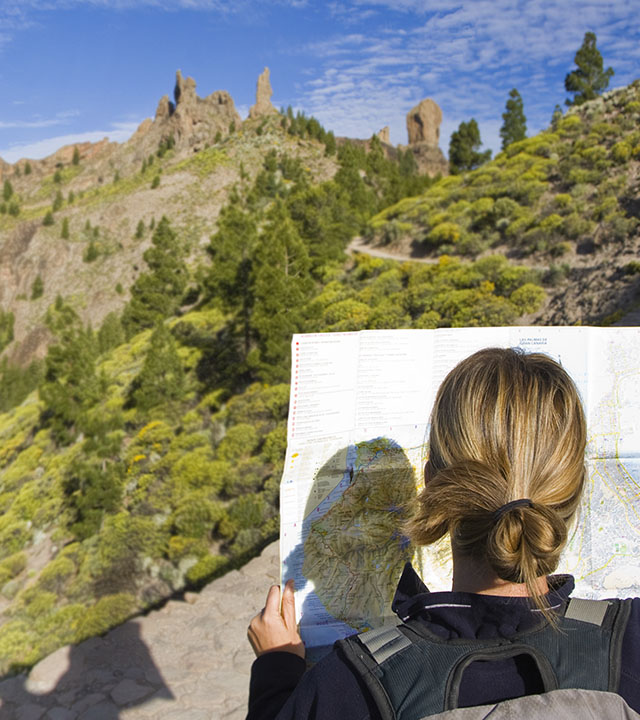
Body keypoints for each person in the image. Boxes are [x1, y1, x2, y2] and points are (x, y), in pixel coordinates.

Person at [246, 348, 640, 719]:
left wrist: (277, 668)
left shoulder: (350, 683)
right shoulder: (632, 642)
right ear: (574, 490)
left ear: (433, 486)